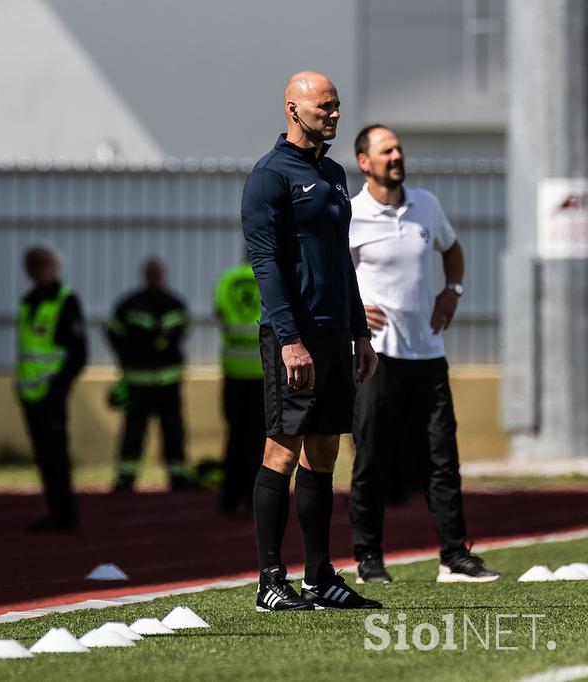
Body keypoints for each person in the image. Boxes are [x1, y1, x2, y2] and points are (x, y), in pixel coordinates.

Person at [241, 71, 380, 612]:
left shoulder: (334, 173)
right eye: (325, 106)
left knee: (323, 452)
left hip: (333, 335)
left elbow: (340, 260)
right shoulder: (269, 177)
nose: (336, 114)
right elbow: (266, 264)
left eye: (338, 105)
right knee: (282, 450)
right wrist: (289, 340)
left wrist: (359, 333)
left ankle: (320, 577)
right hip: (291, 336)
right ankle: (269, 581)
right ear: (292, 110)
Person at [348, 124, 499, 584]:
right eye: (386, 150)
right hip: (378, 357)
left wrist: (452, 291)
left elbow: (452, 250)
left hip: (429, 354)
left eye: (398, 149)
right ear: (364, 162)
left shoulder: (427, 205)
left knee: (442, 457)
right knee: (372, 458)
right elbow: (331, 273)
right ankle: (369, 558)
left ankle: (454, 556)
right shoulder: (350, 214)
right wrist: (353, 313)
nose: (396, 156)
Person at [15, 246, 87, 534]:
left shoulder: (65, 300)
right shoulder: (28, 301)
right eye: (34, 264)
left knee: (56, 454)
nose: (40, 269)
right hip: (29, 392)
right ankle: (55, 510)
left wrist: (58, 388)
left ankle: (65, 514)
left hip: (51, 391)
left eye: (45, 263)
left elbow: (78, 353)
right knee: (44, 455)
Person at [106, 258, 194, 492]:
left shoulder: (173, 303)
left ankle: (178, 476)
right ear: (144, 275)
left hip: (168, 381)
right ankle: (126, 477)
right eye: (151, 274)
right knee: (133, 432)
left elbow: (182, 330)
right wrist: (127, 357)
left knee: (173, 431)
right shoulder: (130, 304)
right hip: (138, 381)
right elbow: (112, 331)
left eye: (158, 274)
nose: (154, 278)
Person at [214, 255, 265, 518]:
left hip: (233, 370)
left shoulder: (227, 280)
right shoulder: (269, 278)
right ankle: (253, 500)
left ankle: (228, 500)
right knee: (257, 440)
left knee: (234, 437)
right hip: (260, 372)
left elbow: (220, 315)